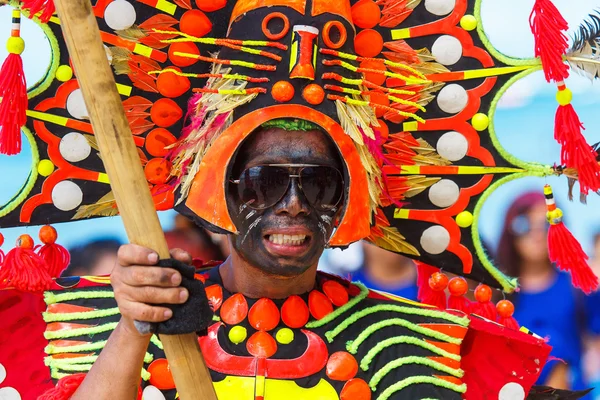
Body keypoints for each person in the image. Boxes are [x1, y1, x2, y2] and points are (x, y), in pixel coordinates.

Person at [496, 192, 600, 395]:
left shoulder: (578, 285)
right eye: (523, 224)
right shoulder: (493, 294)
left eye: (546, 224)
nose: (536, 233)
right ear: (509, 231)